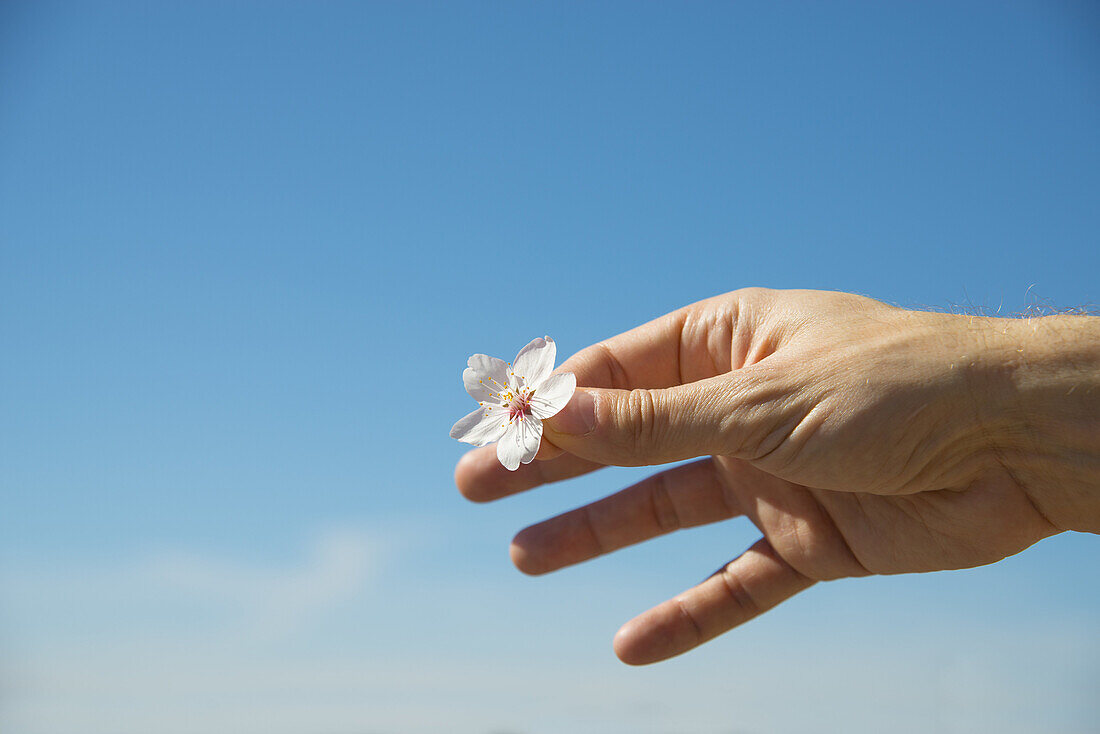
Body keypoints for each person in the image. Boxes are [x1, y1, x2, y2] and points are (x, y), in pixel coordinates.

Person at [453, 288, 1100, 665]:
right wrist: (1013, 444)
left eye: (517, 395)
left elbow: (590, 405)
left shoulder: (547, 390)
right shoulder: (511, 412)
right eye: (511, 398)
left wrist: (1005, 422)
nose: (513, 399)